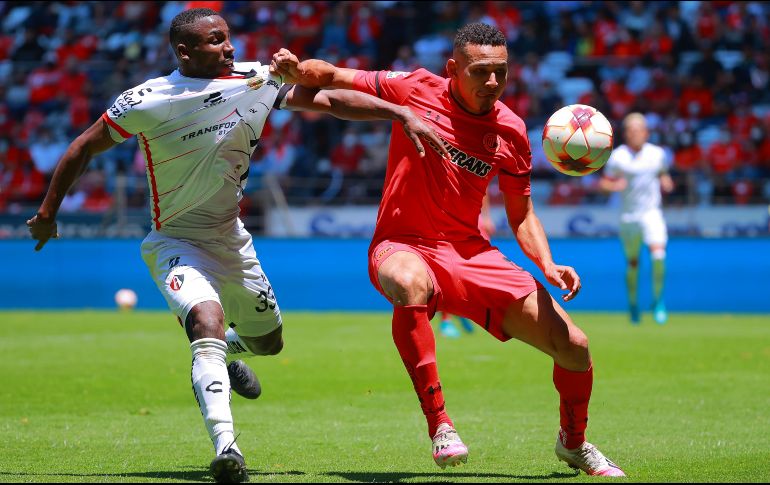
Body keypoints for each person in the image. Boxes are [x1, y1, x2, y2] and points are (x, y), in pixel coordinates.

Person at [26, 8, 446, 483]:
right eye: (214, 41)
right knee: (205, 319)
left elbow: (326, 100)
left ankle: (227, 353)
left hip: (232, 240)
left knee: (270, 342)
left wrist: (397, 110)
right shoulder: (148, 99)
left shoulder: (255, 79)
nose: (229, 47)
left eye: (227, 37)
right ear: (184, 51)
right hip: (175, 241)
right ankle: (228, 447)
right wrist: (47, 213)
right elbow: (83, 145)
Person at [273, 23, 625, 476]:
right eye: (481, 72)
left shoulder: (512, 131)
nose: (493, 82)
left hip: (471, 254)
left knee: (574, 346)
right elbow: (332, 77)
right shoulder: (415, 87)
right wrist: (296, 71)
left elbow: (521, 214)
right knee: (407, 281)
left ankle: (573, 443)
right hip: (402, 244)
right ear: (453, 69)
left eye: (501, 71)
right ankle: (440, 424)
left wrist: (548, 263)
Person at [599, 113, 674, 325]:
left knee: (658, 256)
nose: (634, 133)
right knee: (633, 264)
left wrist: (666, 182)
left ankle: (658, 301)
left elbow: (663, 174)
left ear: (646, 132)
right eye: (630, 130)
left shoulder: (657, 154)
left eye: (638, 129)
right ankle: (633, 303)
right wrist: (614, 186)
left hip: (652, 214)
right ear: (625, 133)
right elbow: (604, 184)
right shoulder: (618, 157)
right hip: (629, 217)